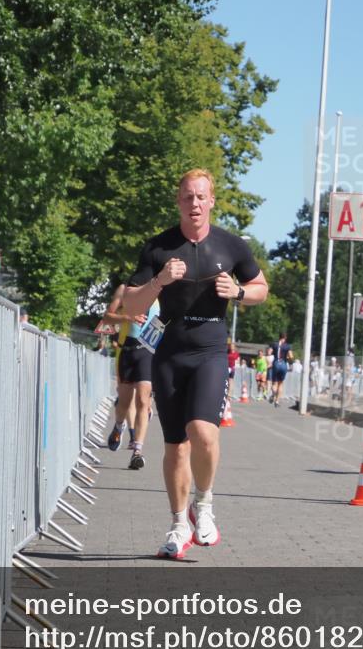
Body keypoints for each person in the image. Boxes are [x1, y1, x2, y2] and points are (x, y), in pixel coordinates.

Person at [122, 169, 268, 559]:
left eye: (201, 197)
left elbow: (261, 289)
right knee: (175, 447)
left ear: (212, 201)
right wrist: (159, 283)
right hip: (169, 352)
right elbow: (131, 305)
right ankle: (176, 526)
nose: (195, 204)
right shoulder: (158, 248)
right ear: (178, 201)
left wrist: (237, 291)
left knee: (203, 432)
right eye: (188, 197)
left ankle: (202, 505)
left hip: (210, 351)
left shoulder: (231, 245)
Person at [102, 284, 158, 470]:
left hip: (148, 352)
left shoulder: (163, 291)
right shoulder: (125, 290)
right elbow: (107, 317)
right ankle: (119, 426)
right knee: (124, 404)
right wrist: (127, 317)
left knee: (143, 400)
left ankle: (137, 451)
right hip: (127, 351)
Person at [268, 333, 293, 406]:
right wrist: (290, 362)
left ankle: (273, 394)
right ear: (285, 338)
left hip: (276, 364)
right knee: (280, 384)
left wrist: (271, 358)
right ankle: (277, 401)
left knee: (274, 383)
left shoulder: (274, 344)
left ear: (279, 337)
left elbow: (269, 352)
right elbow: (291, 356)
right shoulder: (287, 346)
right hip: (283, 365)